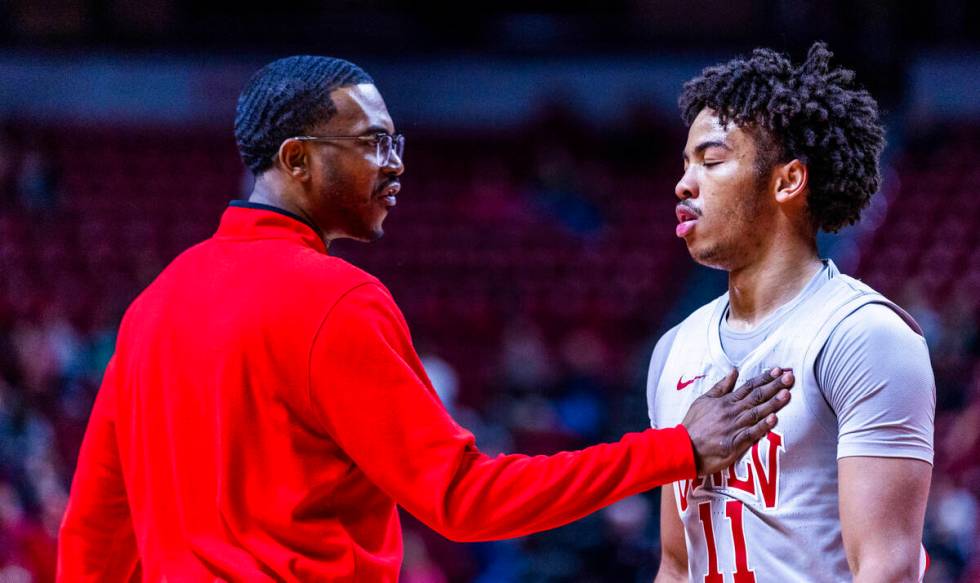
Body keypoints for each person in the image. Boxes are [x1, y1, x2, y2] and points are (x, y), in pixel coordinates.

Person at [58, 55, 794, 582]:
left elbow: (93, 535)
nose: (396, 163)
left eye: (395, 143)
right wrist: (675, 449)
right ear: (298, 160)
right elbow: (465, 498)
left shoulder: (154, 303)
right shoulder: (333, 300)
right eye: (373, 143)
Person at [648, 43, 935, 583]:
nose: (684, 184)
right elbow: (676, 563)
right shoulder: (674, 349)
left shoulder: (864, 336)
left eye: (710, 161)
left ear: (788, 181)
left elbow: (887, 570)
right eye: (686, 164)